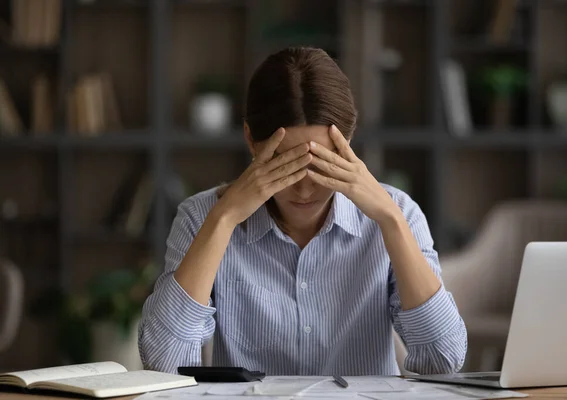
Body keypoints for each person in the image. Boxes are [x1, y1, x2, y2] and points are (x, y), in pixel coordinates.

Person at [138, 46, 467, 376]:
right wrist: (225, 219)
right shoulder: (202, 217)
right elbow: (165, 363)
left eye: (322, 164)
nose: (305, 188)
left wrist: (390, 220)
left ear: (348, 142)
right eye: (286, 166)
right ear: (252, 140)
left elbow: (443, 360)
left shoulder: (398, 213)